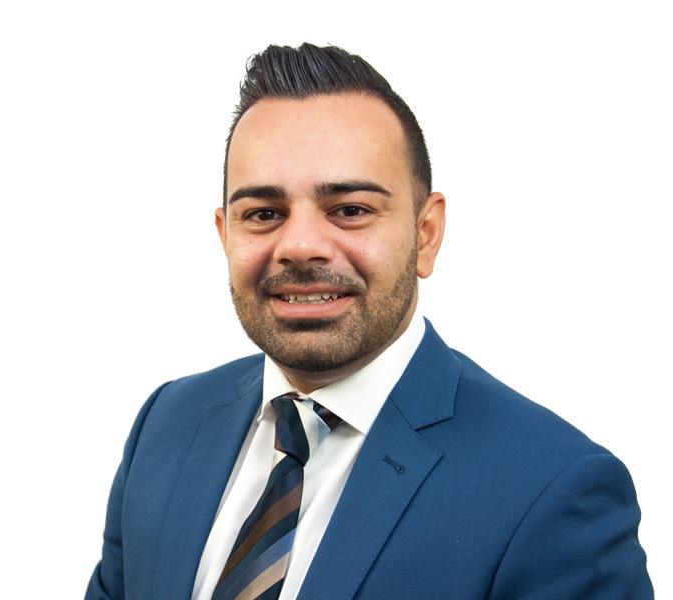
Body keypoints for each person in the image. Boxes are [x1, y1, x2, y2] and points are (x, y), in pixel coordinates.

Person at [85, 43, 652, 599]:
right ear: (225, 234)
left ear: (426, 234)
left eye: (350, 209)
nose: (300, 245)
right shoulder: (166, 425)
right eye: (263, 213)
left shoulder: (554, 490)